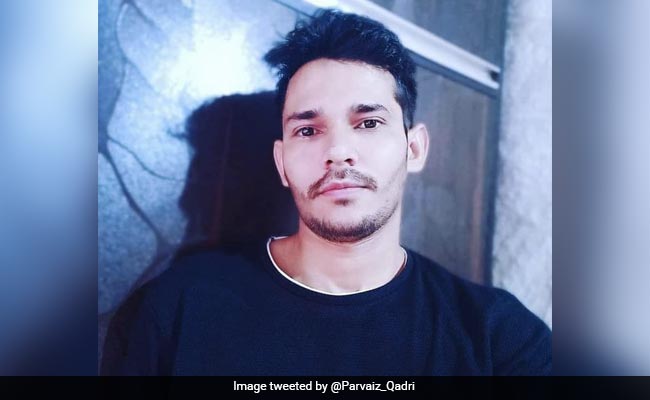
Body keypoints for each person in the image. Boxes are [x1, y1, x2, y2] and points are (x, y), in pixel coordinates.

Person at [103, 9, 551, 376]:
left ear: (414, 149)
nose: (338, 151)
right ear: (282, 162)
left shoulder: (499, 339)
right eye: (308, 129)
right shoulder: (178, 308)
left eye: (368, 123)